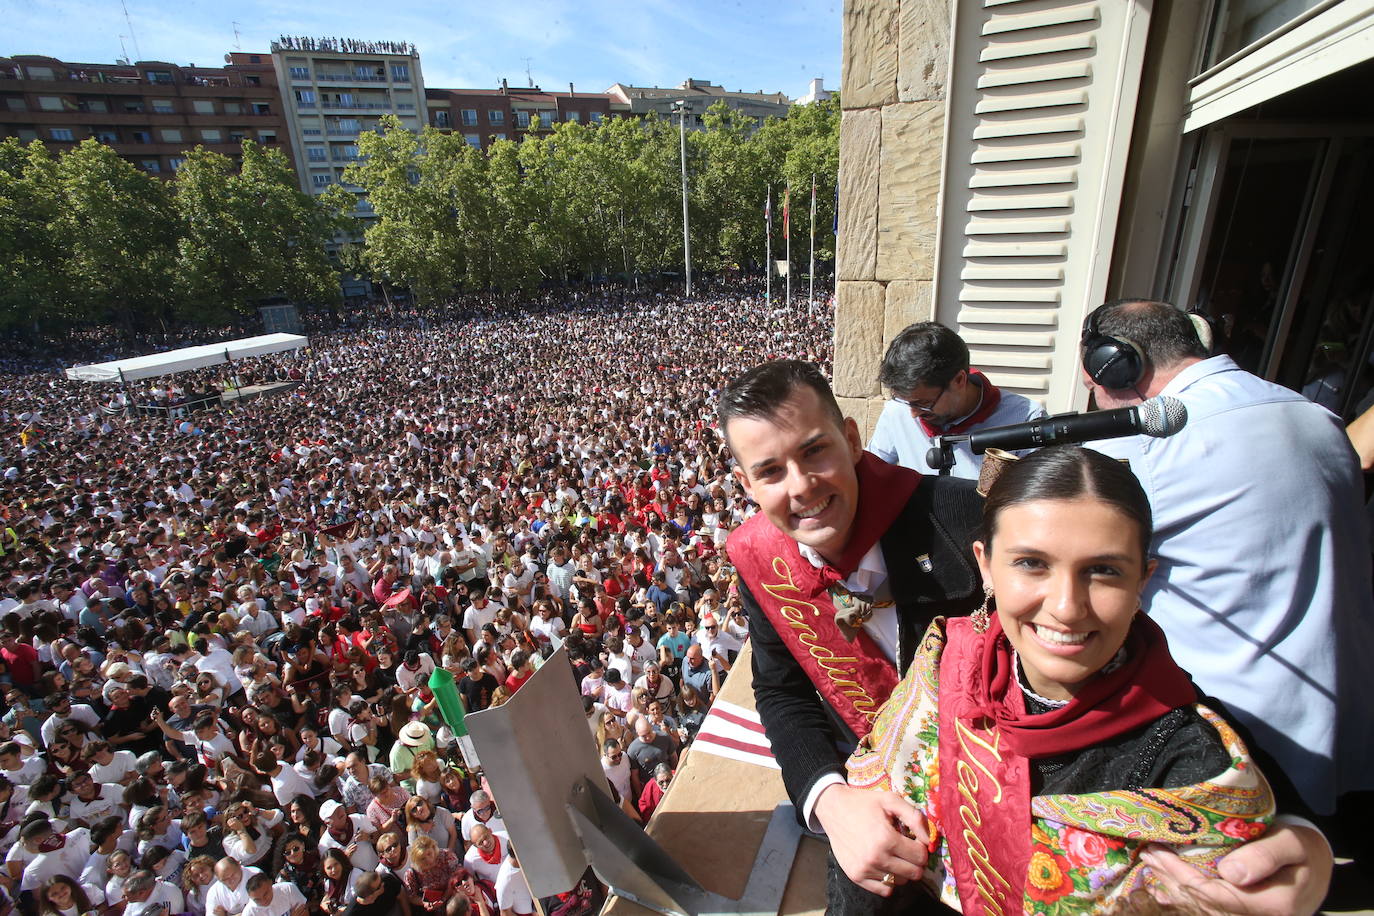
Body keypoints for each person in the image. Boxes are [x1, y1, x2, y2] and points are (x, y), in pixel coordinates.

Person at [718, 358, 1333, 911]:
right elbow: (783, 693)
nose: (800, 486)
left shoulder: (967, 517)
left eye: (815, 451)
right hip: (879, 819)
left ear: (852, 439)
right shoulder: (760, 557)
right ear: (747, 485)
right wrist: (830, 800)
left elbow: (1147, 674)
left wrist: (1299, 830)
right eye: (770, 471)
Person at [845, 445, 1277, 911]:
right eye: (1032, 563)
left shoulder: (1190, 763)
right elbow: (878, 791)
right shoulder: (946, 660)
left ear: (1142, 582)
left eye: (1104, 571)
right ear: (985, 565)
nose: (1067, 607)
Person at [1080, 299, 1374, 817]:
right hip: (1335, 706)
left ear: (1116, 364)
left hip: (1232, 729)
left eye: (1092, 382)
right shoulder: (1315, 413)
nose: (1093, 397)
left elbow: (1083, 562)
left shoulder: (1158, 443)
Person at [868, 322, 1046, 477]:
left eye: (923, 403)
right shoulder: (897, 411)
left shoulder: (1027, 420)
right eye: (906, 402)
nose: (913, 413)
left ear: (959, 380)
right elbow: (870, 474)